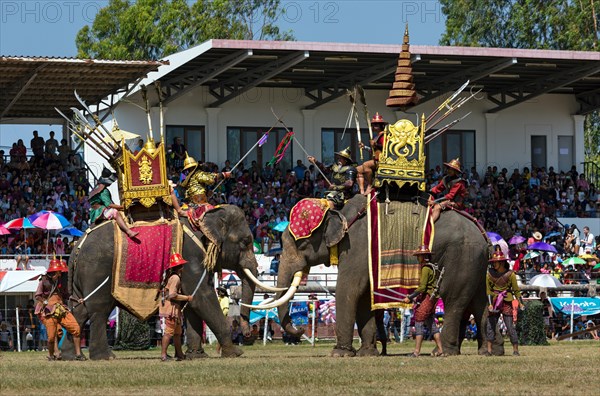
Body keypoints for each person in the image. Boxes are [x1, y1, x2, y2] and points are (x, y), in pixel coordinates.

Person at [34, 258, 86, 361]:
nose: (61, 273)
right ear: (55, 271)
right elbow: (37, 296)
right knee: (51, 337)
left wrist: (77, 300)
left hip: (60, 308)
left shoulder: (61, 281)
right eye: (59, 272)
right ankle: (51, 355)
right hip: (48, 310)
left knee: (76, 329)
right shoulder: (43, 280)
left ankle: (78, 354)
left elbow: (66, 295)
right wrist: (44, 301)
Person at [403, 245, 444, 357]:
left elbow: (422, 287)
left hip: (429, 297)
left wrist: (410, 297)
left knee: (419, 318)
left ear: (423, 256)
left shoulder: (426, 268)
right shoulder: (430, 267)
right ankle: (440, 350)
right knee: (431, 323)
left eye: (419, 256)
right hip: (431, 297)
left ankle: (416, 352)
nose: (418, 258)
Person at [485, 250, 524, 356]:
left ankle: (515, 350)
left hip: (507, 301)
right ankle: (489, 350)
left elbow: (516, 290)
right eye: (493, 262)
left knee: (510, 326)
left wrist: (520, 302)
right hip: (494, 301)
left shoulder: (510, 274)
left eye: (495, 262)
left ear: (502, 262)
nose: (493, 264)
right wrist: (490, 304)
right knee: (490, 325)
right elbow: (488, 291)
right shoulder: (489, 274)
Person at [158, 253, 193, 361]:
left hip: (175, 309)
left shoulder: (172, 276)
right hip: (171, 309)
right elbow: (173, 294)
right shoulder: (175, 278)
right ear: (180, 267)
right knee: (169, 332)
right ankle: (163, 355)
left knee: (177, 333)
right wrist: (187, 298)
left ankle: (179, 354)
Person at [88, 166, 139, 238]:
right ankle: (129, 231)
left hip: (94, 212)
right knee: (115, 212)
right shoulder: (103, 191)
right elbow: (109, 205)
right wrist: (123, 207)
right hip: (99, 211)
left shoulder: (96, 188)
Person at [356, 112, 388, 195]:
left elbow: (386, 148)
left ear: (382, 126)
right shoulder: (376, 136)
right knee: (357, 170)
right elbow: (374, 151)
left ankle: (370, 185)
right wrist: (364, 147)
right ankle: (362, 190)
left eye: (376, 125)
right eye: (373, 125)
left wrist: (376, 144)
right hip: (376, 159)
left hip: (382, 160)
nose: (374, 127)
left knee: (366, 165)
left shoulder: (384, 136)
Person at [429, 158, 467, 222]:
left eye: (451, 169)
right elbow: (438, 188)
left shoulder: (459, 182)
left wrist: (435, 201)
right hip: (448, 200)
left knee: (437, 207)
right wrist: (429, 192)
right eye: (448, 168)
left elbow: (450, 196)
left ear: (455, 171)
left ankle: (430, 224)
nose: (449, 170)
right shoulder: (446, 178)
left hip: (456, 203)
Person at [215, 286, 230, 355]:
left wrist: (221, 317)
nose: (220, 292)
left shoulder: (226, 299)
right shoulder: (218, 298)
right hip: (217, 317)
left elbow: (226, 309)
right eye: (220, 290)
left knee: (221, 334)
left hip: (222, 317)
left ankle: (219, 349)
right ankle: (218, 349)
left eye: (222, 291)